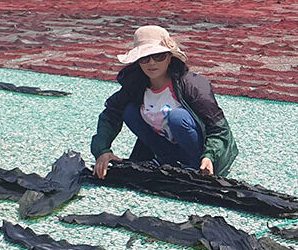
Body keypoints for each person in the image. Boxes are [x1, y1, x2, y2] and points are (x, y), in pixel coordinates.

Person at [90, 25, 237, 179]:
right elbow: (111, 114)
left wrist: (210, 156)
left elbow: (219, 129)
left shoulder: (193, 85)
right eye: (145, 58)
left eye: (158, 56)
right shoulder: (136, 85)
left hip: (201, 154)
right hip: (165, 150)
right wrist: (102, 150)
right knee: (130, 111)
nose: (151, 63)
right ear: (138, 62)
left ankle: (193, 166)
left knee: (177, 118)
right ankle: (166, 162)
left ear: (169, 57)